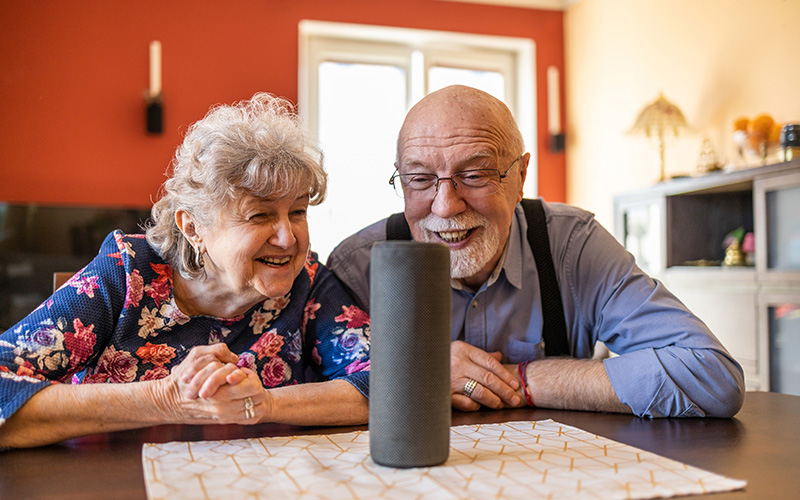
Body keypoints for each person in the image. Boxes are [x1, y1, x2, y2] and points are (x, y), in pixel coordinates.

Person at [328, 85, 744, 418]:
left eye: (474, 175)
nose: (445, 205)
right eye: (419, 179)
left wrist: (519, 379)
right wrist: (424, 370)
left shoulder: (573, 246)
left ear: (521, 175)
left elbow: (711, 375)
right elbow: (316, 394)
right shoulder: (358, 267)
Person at [0, 93, 371, 448]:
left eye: (298, 212)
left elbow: (390, 383)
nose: (288, 238)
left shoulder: (307, 282)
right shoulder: (127, 273)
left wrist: (265, 404)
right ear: (193, 227)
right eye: (260, 215)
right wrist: (167, 398)